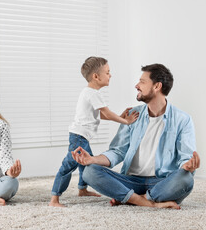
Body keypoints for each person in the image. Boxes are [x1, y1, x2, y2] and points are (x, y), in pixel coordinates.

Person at [72, 63, 200, 209]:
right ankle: (150, 202)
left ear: (157, 86)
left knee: (186, 179)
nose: (136, 85)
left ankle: (132, 198)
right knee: (90, 172)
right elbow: (117, 152)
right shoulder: (133, 115)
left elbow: (186, 158)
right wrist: (92, 159)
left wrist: (188, 166)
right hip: (130, 180)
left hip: (161, 182)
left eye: (142, 82)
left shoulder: (182, 119)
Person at [49, 57, 139, 207]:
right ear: (96, 76)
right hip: (79, 138)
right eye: (108, 72)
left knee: (87, 163)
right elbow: (107, 113)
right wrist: (126, 121)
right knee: (68, 166)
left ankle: (82, 189)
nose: (110, 75)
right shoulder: (92, 93)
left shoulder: (89, 92)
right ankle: (54, 199)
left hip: (81, 136)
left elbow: (102, 114)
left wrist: (120, 115)